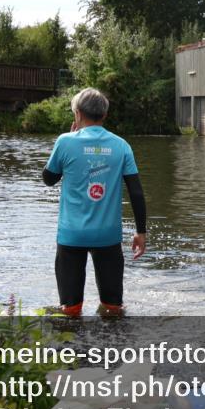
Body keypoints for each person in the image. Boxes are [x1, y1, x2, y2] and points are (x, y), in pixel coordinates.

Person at [42, 88, 147, 316]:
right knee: (113, 307)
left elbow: (49, 179)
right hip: (107, 236)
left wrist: (67, 143)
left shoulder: (65, 141)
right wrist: (141, 231)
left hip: (72, 235)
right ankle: (113, 345)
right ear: (104, 115)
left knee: (69, 309)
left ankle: (73, 348)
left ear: (78, 114)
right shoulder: (121, 145)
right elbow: (136, 192)